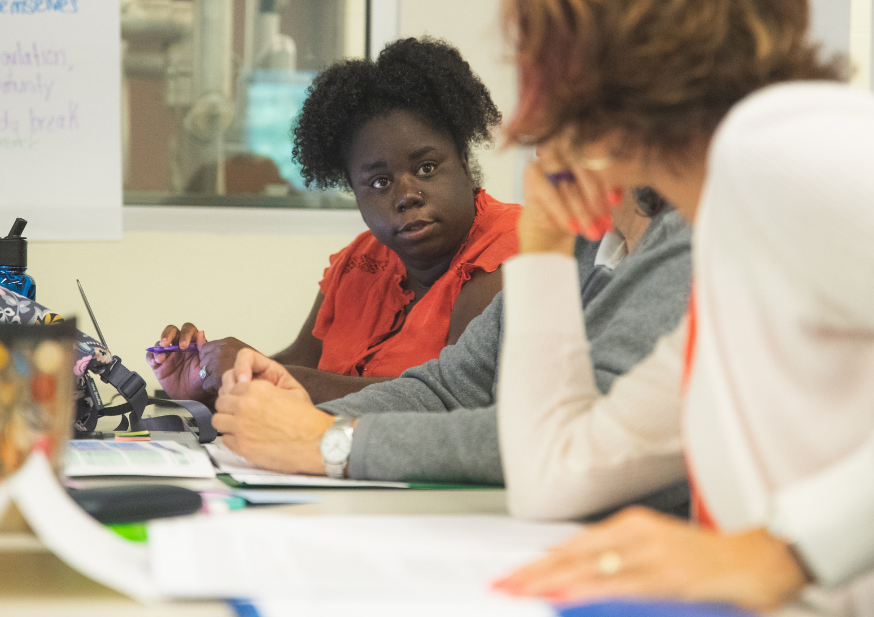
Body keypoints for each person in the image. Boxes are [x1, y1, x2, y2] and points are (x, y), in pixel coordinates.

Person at [485, 0, 871, 614]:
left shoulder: (780, 145)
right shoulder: (732, 238)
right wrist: (539, 243)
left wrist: (780, 551)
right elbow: (552, 476)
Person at [210, 189, 691, 502]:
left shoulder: (688, 243)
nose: (531, 133)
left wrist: (327, 443)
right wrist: (313, 419)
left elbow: (570, 438)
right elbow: (450, 386)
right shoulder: (586, 244)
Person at [149, 37, 519, 407]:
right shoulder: (358, 262)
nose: (406, 194)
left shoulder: (509, 250)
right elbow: (298, 363)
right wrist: (206, 386)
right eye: (379, 182)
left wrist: (260, 373)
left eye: (426, 168)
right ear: (355, 194)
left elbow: (451, 399)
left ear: (466, 168)